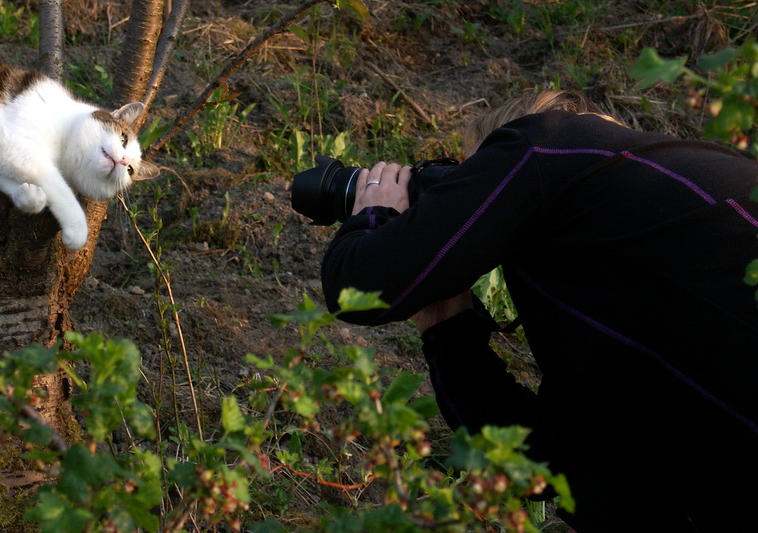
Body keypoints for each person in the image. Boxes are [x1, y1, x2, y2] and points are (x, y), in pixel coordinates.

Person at [319, 90, 758, 532]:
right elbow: (544, 464)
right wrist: (445, 326)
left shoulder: (548, 140)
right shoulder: (615, 283)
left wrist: (376, 212)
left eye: (467, 184)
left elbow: (360, 287)